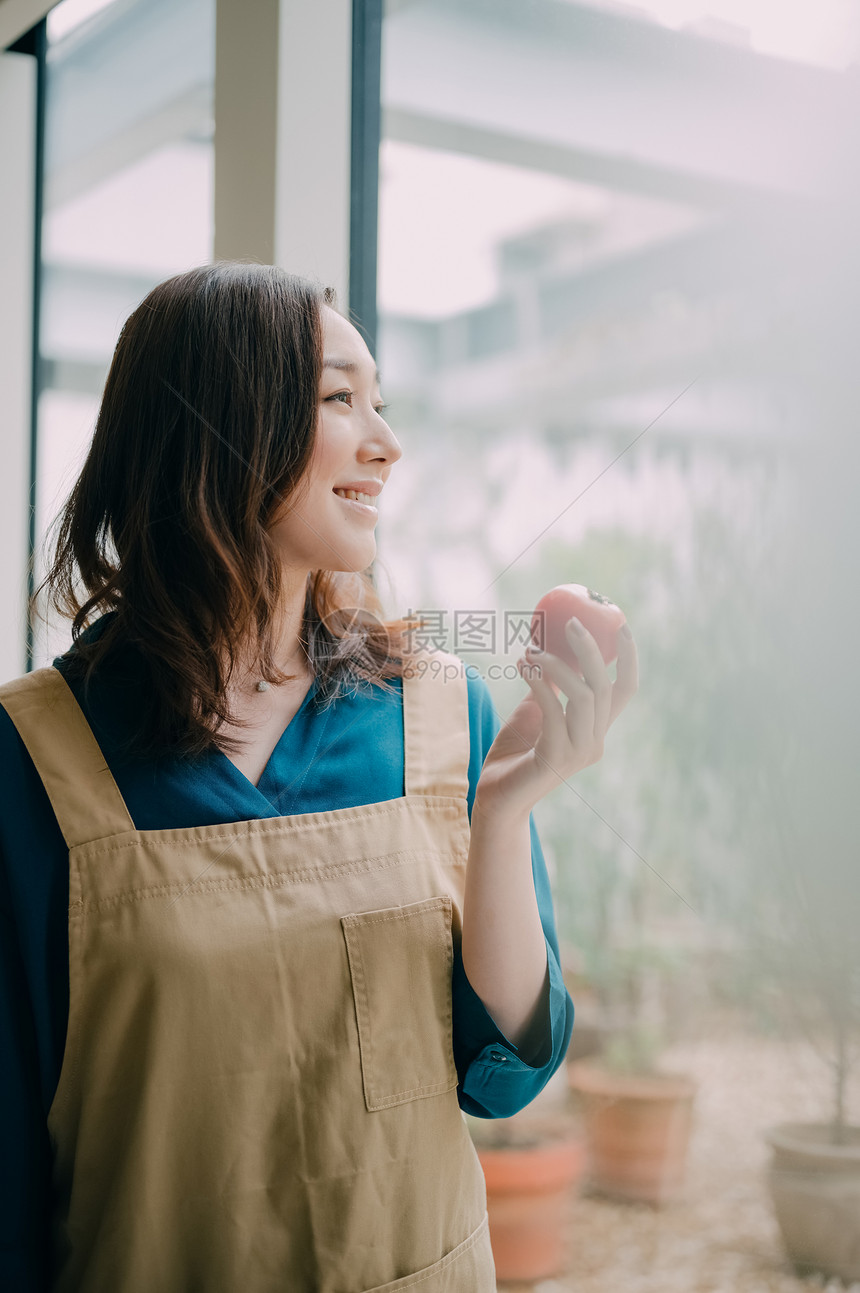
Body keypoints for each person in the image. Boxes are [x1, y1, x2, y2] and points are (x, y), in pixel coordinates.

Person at [0, 261, 638, 1292]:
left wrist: (506, 808)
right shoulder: (34, 758)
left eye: (379, 405)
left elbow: (504, 1073)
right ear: (212, 425)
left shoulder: (443, 712)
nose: (385, 445)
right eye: (340, 400)